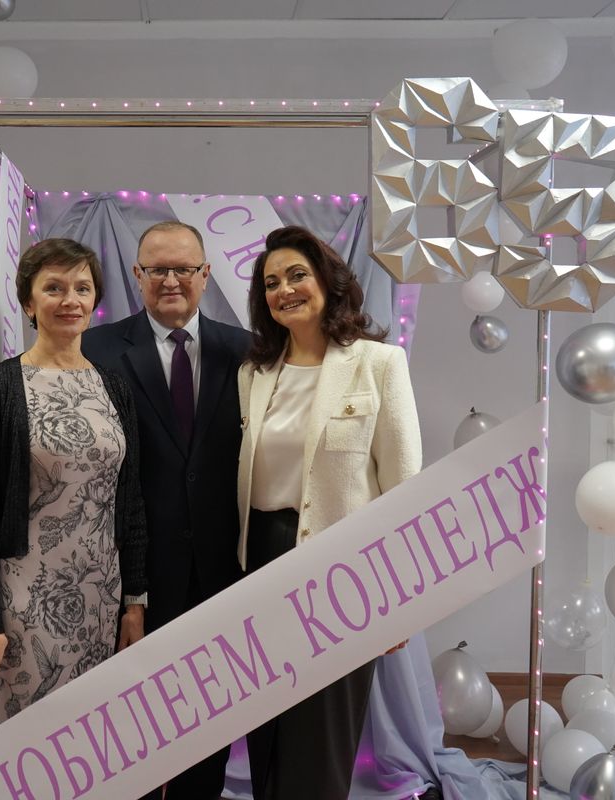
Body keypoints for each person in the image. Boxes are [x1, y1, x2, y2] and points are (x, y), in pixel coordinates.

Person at [237, 225, 438, 800]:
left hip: (342, 570)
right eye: (271, 282)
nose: (284, 290)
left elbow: (404, 488)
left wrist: (400, 601)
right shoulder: (255, 373)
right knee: (266, 724)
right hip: (260, 563)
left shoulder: (379, 362)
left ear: (327, 280)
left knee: (322, 729)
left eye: (296, 275)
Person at [83, 220, 250, 799]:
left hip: (222, 569)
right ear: (137, 275)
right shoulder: (96, 349)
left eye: (185, 268)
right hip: (130, 571)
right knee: (126, 720)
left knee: (208, 716)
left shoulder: (247, 351)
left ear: (206, 274)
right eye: (158, 269)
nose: (172, 280)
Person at [0, 238, 148, 734]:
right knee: (25, 740)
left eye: (82, 288)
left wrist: (134, 600)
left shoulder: (113, 387)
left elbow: (129, 503)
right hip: (23, 606)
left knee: (94, 738)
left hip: (100, 599)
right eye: (54, 288)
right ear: (28, 302)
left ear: (95, 300)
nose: (70, 300)